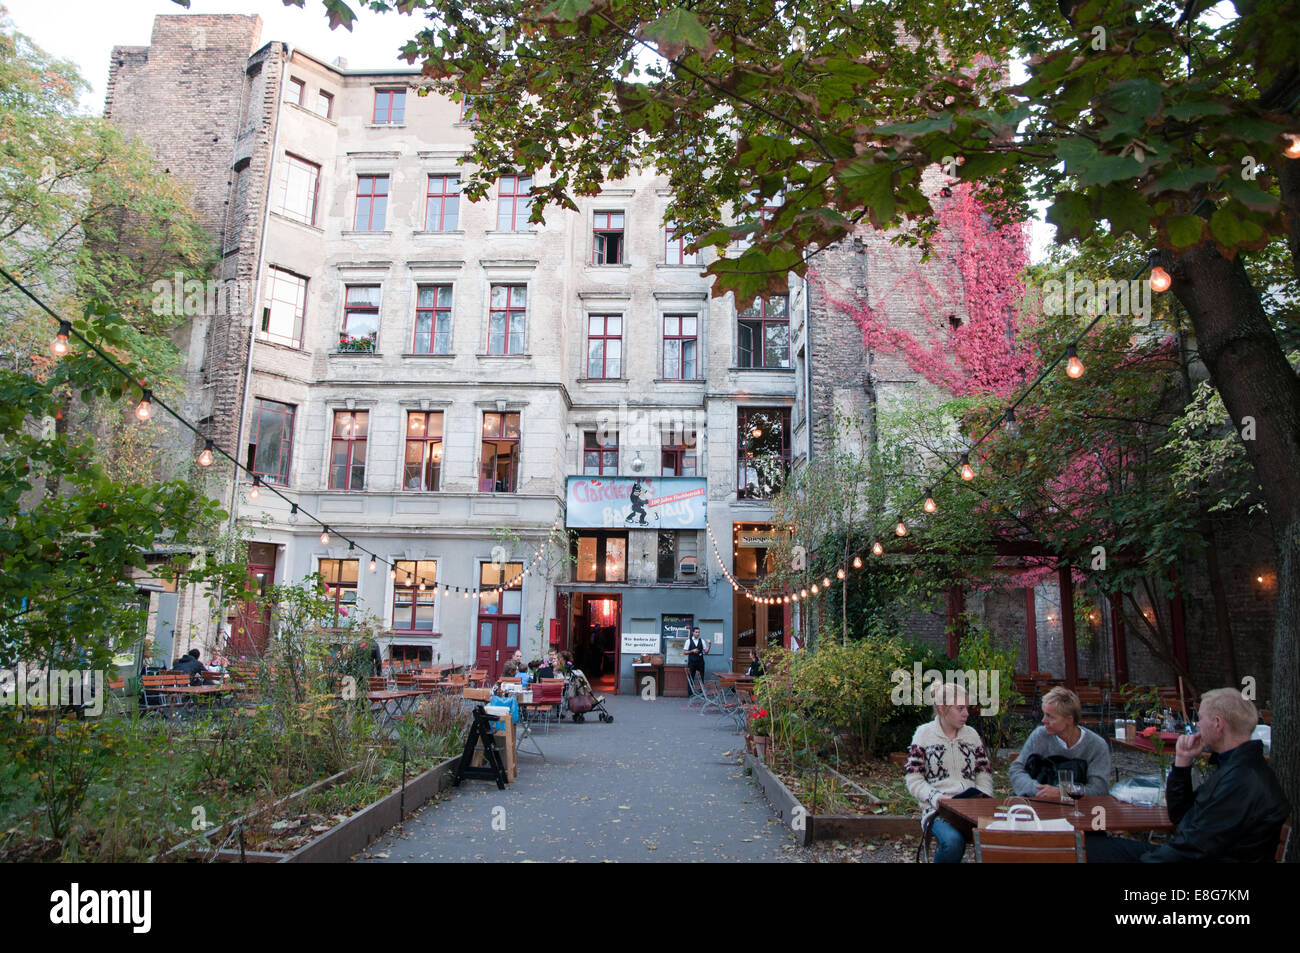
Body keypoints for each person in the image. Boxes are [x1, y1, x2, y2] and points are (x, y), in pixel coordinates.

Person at [1088, 688, 1290, 862]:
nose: (1197, 725)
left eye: (1200, 718)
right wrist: (1182, 762)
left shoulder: (1241, 780)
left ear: (1218, 724)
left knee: (1088, 851)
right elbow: (1181, 816)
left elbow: (1194, 849)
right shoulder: (1235, 767)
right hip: (1194, 855)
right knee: (1089, 846)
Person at [905, 682, 994, 862]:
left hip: (973, 807)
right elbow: (914, 779)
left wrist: (983, 797)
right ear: (943, 709)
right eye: (960, 708)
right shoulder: (923, 734)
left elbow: (983, 773)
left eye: (967, 708)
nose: (966, 714)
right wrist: (936, 798)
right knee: (953, 842)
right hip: (938, 810)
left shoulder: (972, 736)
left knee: (1004, 839)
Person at [1010, 686, 1111, 798]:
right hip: (1038, 804)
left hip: (1080, 809)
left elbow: (1100, 789)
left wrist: (1062, 792)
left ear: (1069, 719)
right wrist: (1038, 790)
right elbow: (1016, 770)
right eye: (1044, 714)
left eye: (1050, 716)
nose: (1043, 720)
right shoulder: (1039, 736)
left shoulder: (1096, 746)